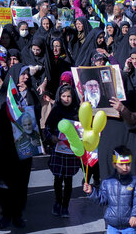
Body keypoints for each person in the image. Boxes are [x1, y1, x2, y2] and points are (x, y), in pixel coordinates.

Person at [83, 146, 136, 234]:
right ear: (114, 164)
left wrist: (135, 215)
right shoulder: (107, 182)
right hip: (112, 225)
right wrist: (92, 192)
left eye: (128, 164)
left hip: (130, 225)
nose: (125, 167)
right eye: (121, 164)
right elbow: (102, 200)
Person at [44, 85, 81, 218]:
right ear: (59, 97)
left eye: (69, 96)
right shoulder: (56, 111)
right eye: (63, 96)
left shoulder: (77, 111)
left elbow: (82, 129)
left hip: (70, 152)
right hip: (58, 150)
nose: (66, 99)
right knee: (58, 179)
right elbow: (47, 128)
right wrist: (52, 137)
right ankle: (57, 202)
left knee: (69, 180)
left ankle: (65, 206)